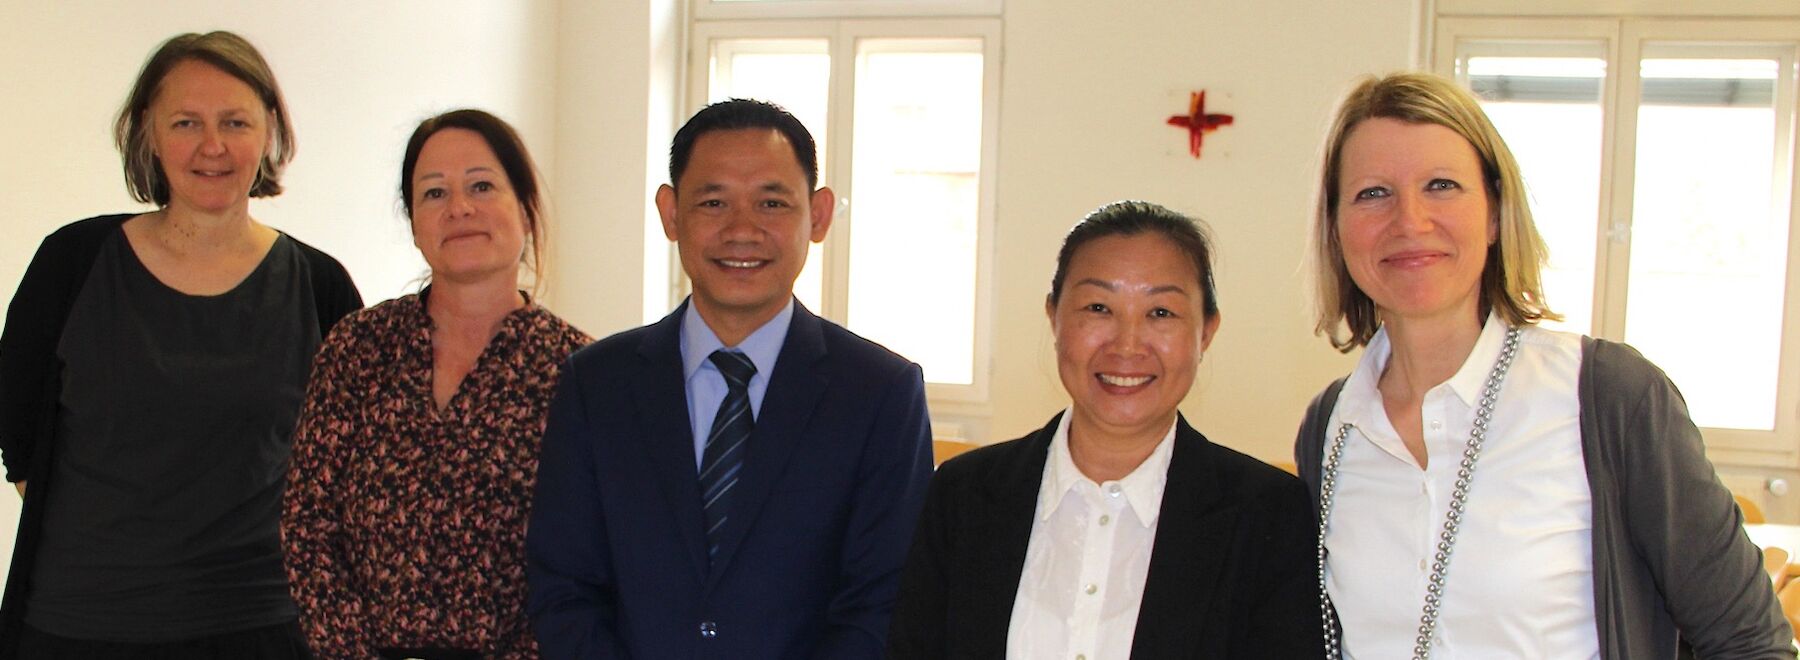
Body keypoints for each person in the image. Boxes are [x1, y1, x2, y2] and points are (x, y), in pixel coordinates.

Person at [1295, 71, 1792, 659]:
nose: (1410, 220)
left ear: (1497, 215)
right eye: (1373, 192)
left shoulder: (1608, 398)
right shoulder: (1331, 429)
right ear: (1335, 227)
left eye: (1442, 185)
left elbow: (1748, 643)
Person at [526, 98, 934, 658]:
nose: (742, 230)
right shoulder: (596, 384)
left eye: (771, 202)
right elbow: (565, 587)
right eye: (713, 202)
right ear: (671, 214)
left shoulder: (880, 392)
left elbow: (882, 603)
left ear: (817, 215)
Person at [0, 31, 362, 658]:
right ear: (148, 131)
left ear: (269, 131)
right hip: (79, 626)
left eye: (235, 121)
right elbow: (17, 429)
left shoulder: (320, 287)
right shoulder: (73, 263)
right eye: (187, 121)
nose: (212, 146)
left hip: (263, 626)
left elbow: (354, 466)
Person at [886, 201, 1323, 659]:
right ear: (1054, 316)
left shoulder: (1269, 514)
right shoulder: (963, 494)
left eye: (1161, 313)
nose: (1127, 344)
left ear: (1206, 331)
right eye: (1098, 307)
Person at [282, 109, 589, 659]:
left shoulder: (580, 372)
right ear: (415, 222)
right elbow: (309, 530)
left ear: (523, 208)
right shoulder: (357, 348)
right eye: (434, 193)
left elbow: (591, 559)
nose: (460, 208)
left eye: (481, 185)